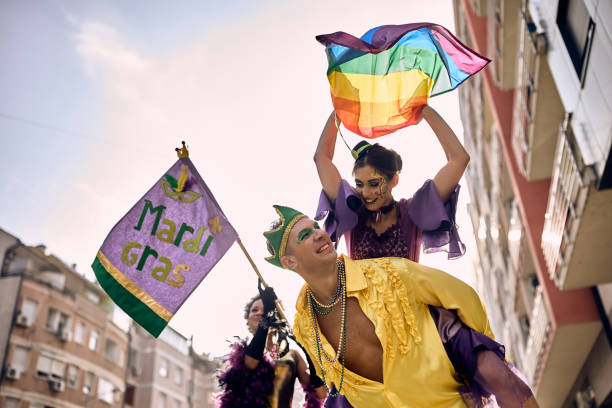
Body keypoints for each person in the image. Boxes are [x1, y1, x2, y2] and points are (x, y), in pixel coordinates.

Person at [263, 205, 538, 408]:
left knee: (500, 375)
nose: (319, 234)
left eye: (315, 227)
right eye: (304, 236)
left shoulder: (391, 272)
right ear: (290, 262)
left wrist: (471, 351)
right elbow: (336, 380)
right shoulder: (303, 325)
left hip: (443, 374)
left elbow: (463, 297)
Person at [313, 105, 468, 261]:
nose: (365, 193)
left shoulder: (412, 212)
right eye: (359, 184)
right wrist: (340, 110)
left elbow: (459, 159)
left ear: (394, 180)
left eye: (374, 184)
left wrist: (424, 111)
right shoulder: (352, 211)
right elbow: (321, 158)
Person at [217, 286, 326, 408]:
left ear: (279, 318)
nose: (259, 313)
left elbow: (320, 394)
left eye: (266, 309)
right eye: (254, 310)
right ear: (247, 320)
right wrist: (267, 315)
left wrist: (309, 352)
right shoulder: (240, 355)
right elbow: (252, 362)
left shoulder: (293, 356)